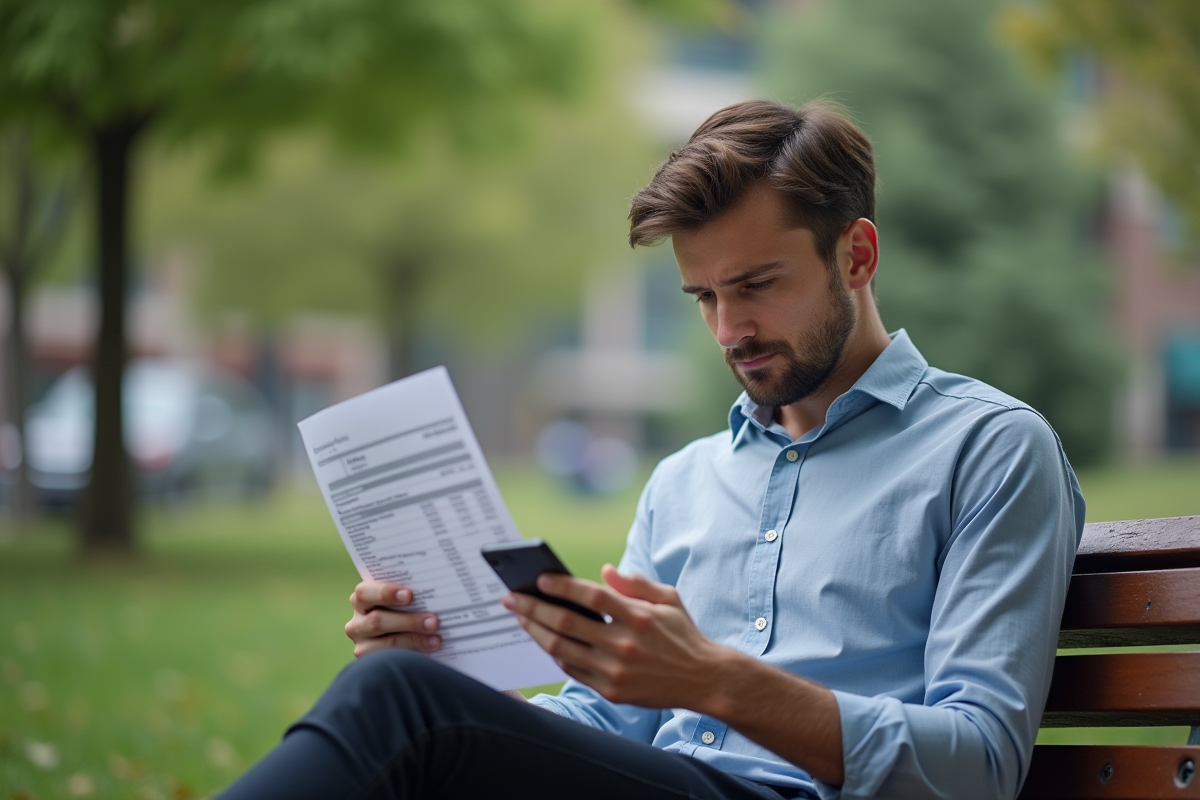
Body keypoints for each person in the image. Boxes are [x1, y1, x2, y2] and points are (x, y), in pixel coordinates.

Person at [217, 100, 1084, 800]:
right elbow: (605, 732)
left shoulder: (990, 451)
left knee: (393, 707)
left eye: (755, 286)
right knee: (405, 696)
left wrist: (715, 681)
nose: (729, 329)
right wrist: (459, 690)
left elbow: (980, 767)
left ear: (855, 255)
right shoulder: (686, 482)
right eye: (703, 296)